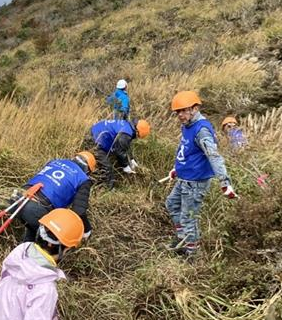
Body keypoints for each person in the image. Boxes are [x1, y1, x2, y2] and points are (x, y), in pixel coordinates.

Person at [164, 92, 236, 258]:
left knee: (189, 218)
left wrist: (225, 182)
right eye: (177, 112)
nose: (180, 115)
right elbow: (186, 150)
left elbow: (214, 156)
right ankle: (182, 239)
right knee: (171, 204)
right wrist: (177, 169)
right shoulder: (187, 126)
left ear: (195, 108)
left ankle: (192, 254)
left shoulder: (201, 130)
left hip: (195, 183)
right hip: (184, 178)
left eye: (183, 110)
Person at [16, 152, 96, 242]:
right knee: (54, 242)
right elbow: (79, 211)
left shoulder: (55, 162)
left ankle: (21, 250)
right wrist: (87, 230)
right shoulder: (83, 179)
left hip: (17, 196)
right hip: (37, 208)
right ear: (88, 171)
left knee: (31, 230)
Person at [87, 118, 150, 188]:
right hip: (94, 140)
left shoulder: (127, 126)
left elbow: (125, 146)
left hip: (95, 131)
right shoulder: (125, 134)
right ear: (137, 132)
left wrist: (132, 160)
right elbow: (119, 151)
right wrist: (125, 166)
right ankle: (107, 188)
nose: (137, 138)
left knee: (107, 162)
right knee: (107, 168)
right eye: (138, 136)